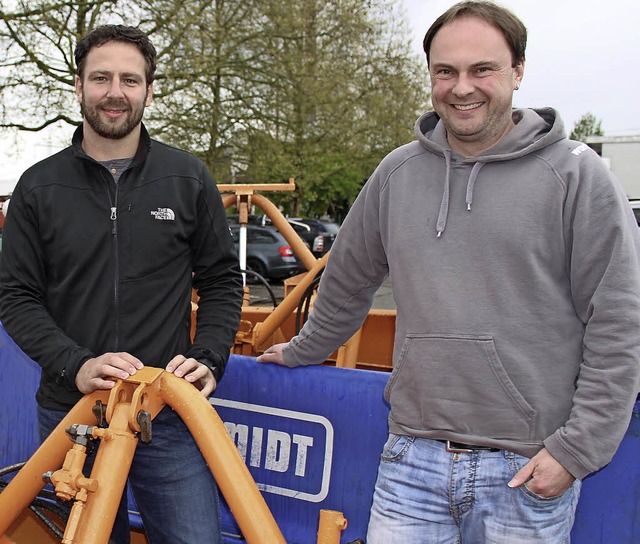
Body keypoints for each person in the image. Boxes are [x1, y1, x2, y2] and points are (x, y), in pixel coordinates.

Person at [257, 1, 640, 542]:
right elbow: (346, 281)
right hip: (411, 458)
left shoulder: (578, 175)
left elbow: (620, 321)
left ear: (518, 71)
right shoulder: (397, 173)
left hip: (527, 469)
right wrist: (300, 351)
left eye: (482, 69)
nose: (462, 87)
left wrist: (576, 450)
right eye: (446, 71)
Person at [0, 25, 243, 544]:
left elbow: (222, 280)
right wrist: (76, 363)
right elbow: (15, 295)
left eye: (129, 80)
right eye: (101, 78)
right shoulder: (38, 187)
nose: (115, 92)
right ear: (79, 87)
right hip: (72, 411)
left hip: (168, 413)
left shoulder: (187, 177)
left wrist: (210, 356)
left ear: (149, 91)